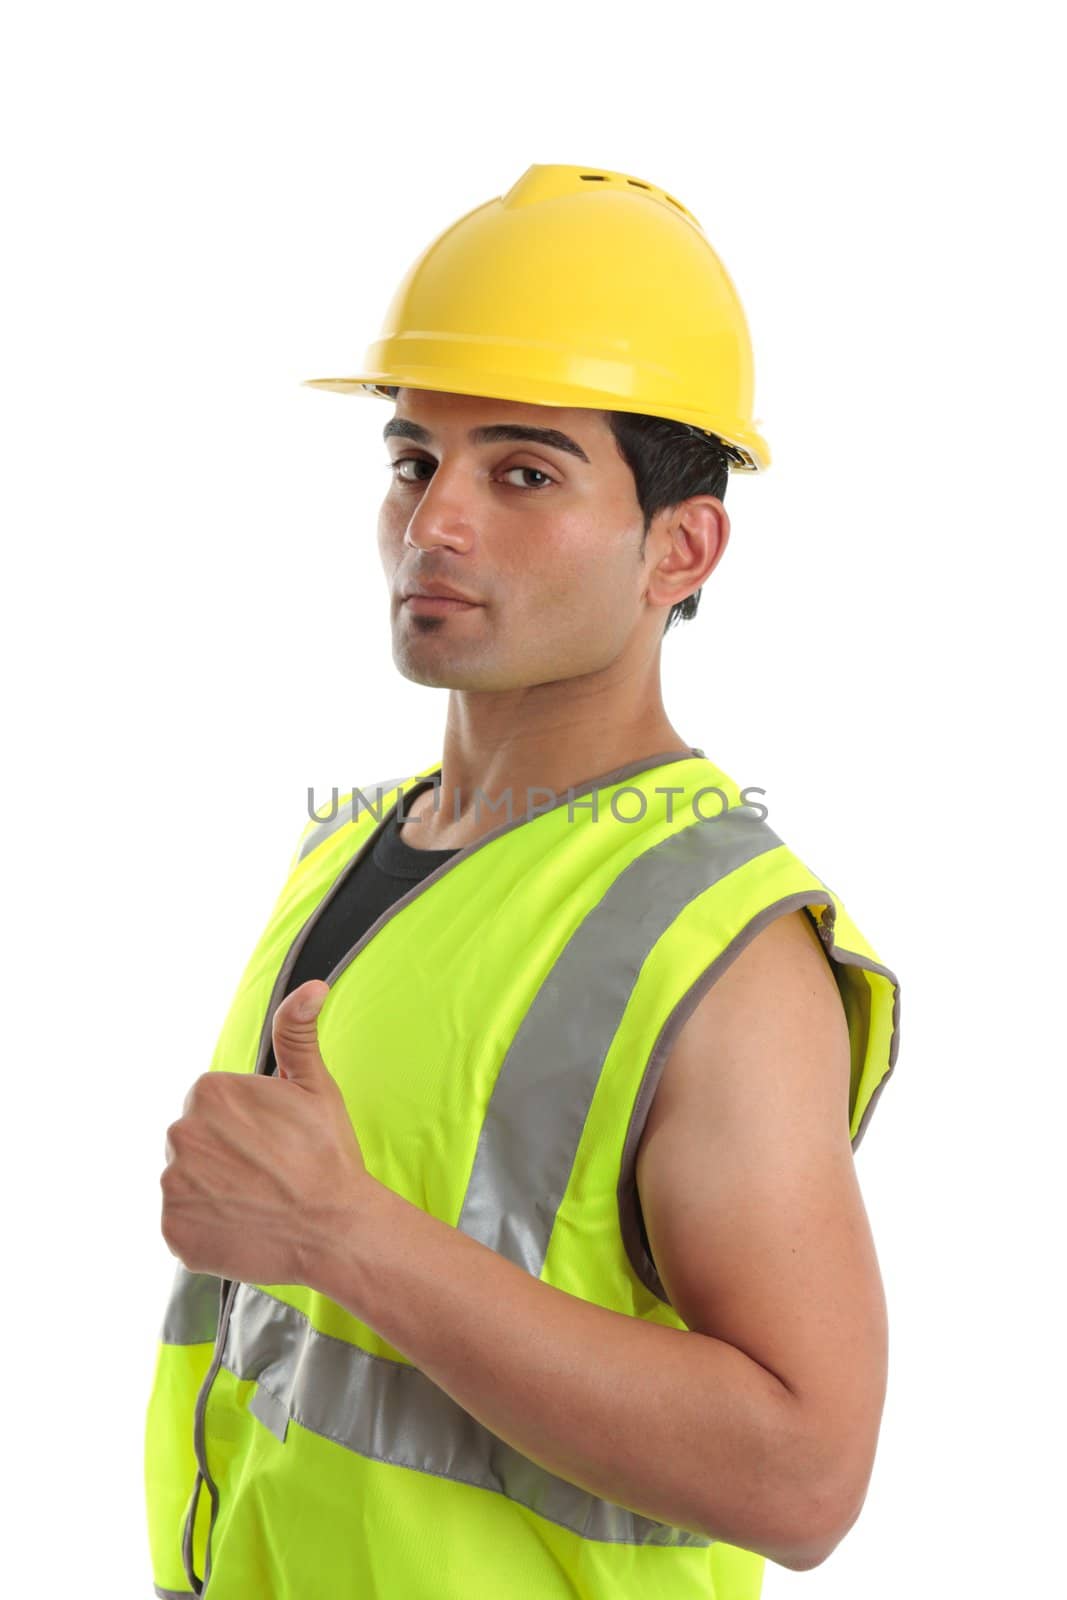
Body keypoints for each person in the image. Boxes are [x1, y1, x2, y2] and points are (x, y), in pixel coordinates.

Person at [145, 162, 900, 1600]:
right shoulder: (351, 846)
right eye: (415, 459)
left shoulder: (722, 946)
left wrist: (343, 1236)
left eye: (526, 472)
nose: (436, 524)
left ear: (680, 546)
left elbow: (807, 1479)